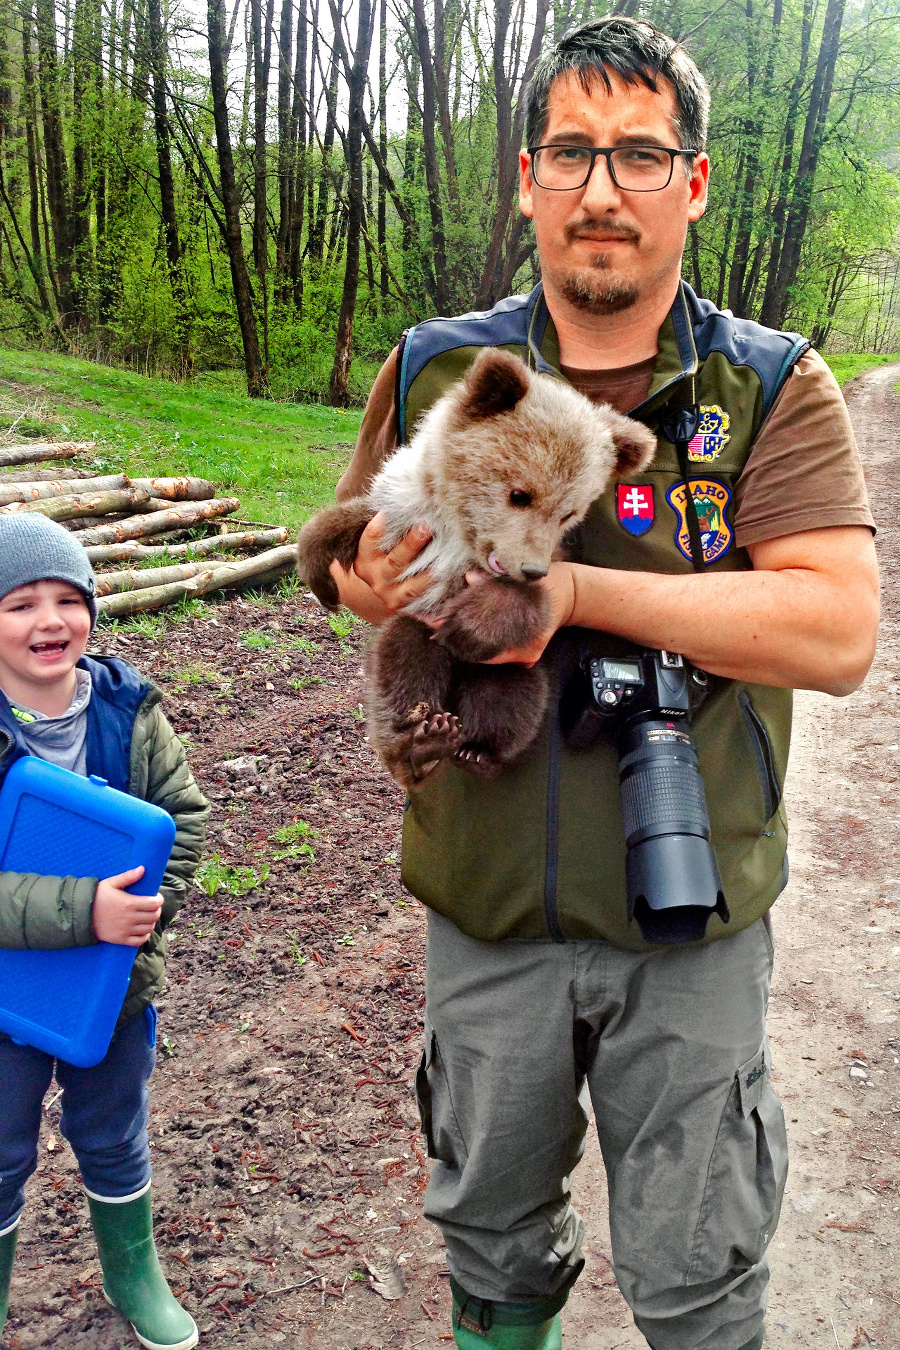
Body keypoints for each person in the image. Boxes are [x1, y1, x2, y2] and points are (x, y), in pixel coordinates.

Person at [329, 18, 879, 1350]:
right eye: (571, 152)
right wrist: (390, 579)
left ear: (690, 184)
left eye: (638, 156)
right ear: (527, 177)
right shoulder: (443, 365)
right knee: (494, 1243)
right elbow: (352, 557)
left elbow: (836, 630)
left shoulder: (765, 386)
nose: (599, 189)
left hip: (690, 924)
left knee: (698, 1270)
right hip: (487, 903)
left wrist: (572, 594)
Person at [0, 514, 209, 1350]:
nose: (49, 622)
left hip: (116, 989)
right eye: (20, 604)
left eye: (67, 599)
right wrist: (83, 912)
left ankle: (133, 1271)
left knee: (114, 1130)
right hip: (5, 999)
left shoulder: (128, 709)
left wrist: (147, 917)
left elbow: (182, 818)